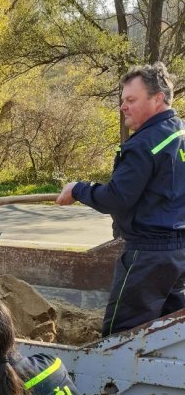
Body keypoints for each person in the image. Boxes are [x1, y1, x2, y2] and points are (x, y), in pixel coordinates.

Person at [56, 62, 185, 336]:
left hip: (148, 256)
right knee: (168, 335)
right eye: (122, 100)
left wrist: (79, 189)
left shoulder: (144, 143)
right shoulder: (180, 134)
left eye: (131, 100)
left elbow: (117, 197)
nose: (123, 107)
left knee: (120, 337)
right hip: (179, 255)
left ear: (158, 98)